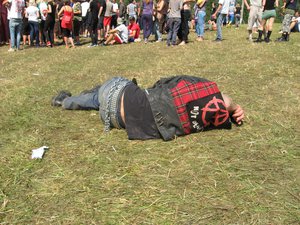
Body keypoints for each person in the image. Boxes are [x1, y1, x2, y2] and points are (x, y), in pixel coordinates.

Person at [51, 75, 245, 141]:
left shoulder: (184, 89)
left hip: (118, 96)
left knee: (110, 87)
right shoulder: (194, 124)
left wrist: (235, 106)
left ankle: (67, 101)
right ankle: (86, 96)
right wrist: (234, 111)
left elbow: (225, 101)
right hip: (118, 122)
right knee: (101, 97)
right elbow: (224, 104)